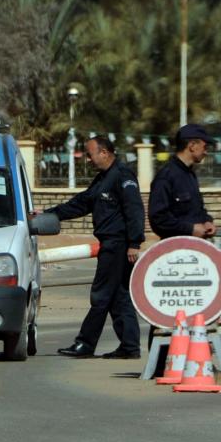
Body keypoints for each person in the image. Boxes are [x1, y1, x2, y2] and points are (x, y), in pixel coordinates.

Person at [47, 136, 145, 359]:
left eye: (90, 155)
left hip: (118, 245)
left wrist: (134, 243)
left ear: (104, 153)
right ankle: (130, 347)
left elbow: (134, 210)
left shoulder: (122, 176)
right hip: (111, 244)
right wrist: (50, 213)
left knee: (101, 296)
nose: (88, 160)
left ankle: (86, 343)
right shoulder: (103, 179)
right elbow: (82, 203)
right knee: (119, 297)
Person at [148, 124, 217, 240]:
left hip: (195, 247)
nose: (206, 152)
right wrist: (190, 229)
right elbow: (158, 219)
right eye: (205, 147)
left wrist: (207, 221)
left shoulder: (190, 174)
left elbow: (197, 209)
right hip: (176, 250)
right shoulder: (166, 176)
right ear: (192, 146)